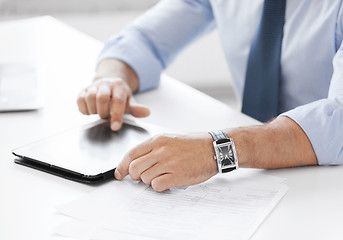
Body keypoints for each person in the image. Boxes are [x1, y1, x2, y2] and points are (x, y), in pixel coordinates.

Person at [77, 0, 343, 192]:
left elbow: (339, 121)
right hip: (256, 180)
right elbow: (145, 39)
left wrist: (215, 150)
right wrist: (112, 78)